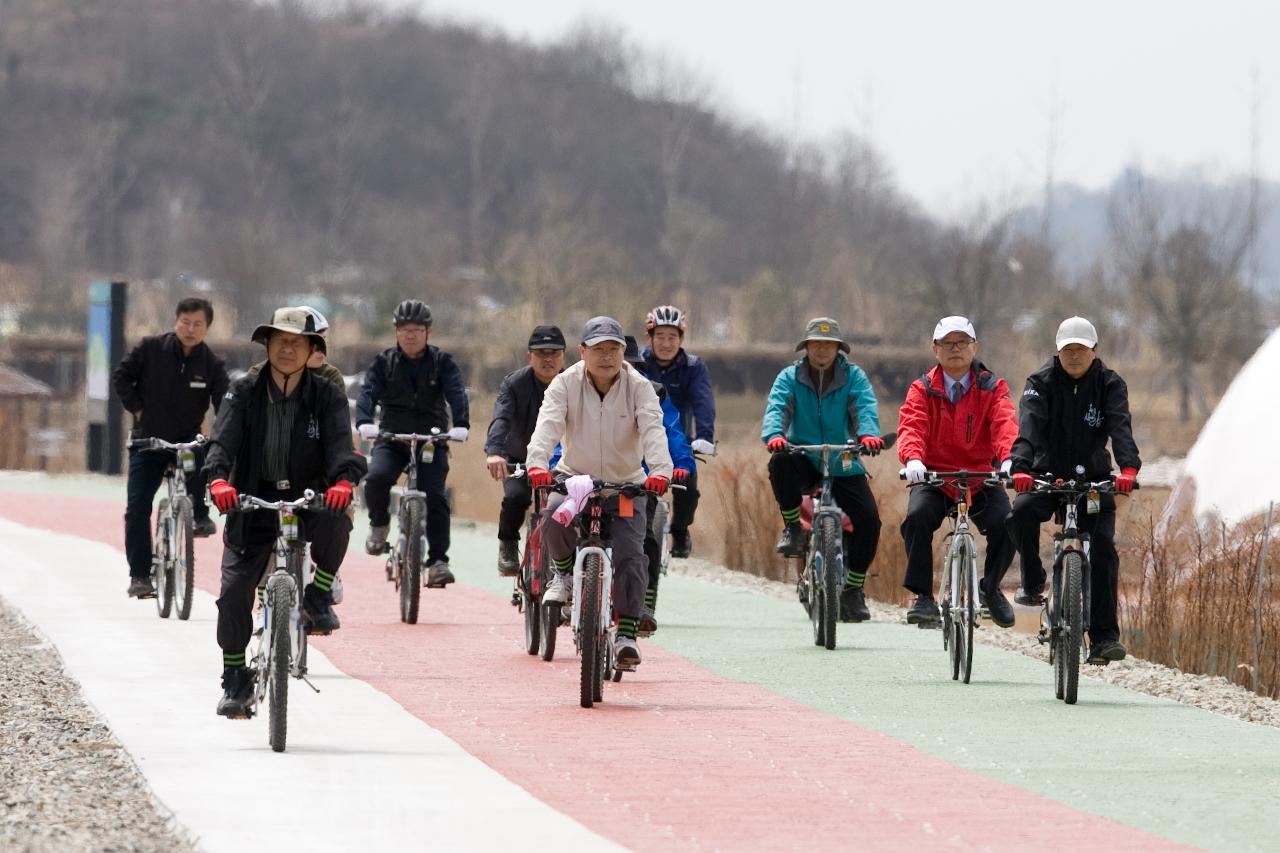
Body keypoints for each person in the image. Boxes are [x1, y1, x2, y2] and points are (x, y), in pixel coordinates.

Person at [204, 307, 367, 718]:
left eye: (297, 342)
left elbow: (340, 447)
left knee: (339, 513)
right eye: (279, 341)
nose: (287, 349)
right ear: (267, 345)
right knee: (233, 594)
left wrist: (343, 481)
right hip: (251, 501)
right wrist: (219, 480)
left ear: (313, 348)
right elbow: (221, 441)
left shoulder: (326, 395)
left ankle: (318, 593)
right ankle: (236, 679)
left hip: (308, 496)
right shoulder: (243, 391)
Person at [525, 317, 672, 669]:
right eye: (599, 349)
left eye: (614, 349)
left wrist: (661, 471)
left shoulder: (640, 387)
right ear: (583, 351)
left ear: (623, 352)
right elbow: (547, 426)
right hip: (576, 480)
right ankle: (563, 574)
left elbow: (653, 429)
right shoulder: (564, 384)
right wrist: (537, 464)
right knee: (553, 519)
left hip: (626, 483)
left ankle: (627, 635)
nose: (607, 357)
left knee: (630, 554)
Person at [1006, 316, 1140, 665]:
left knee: (1104, 552)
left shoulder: (1110, 384)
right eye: (1068, 349)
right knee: (1019, 513)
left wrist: (1128, 468)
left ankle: (1103, 638)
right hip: (1046, 476)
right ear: (1058, 351)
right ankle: (1033, 581)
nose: (1075, 355)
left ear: (1094, 350)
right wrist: (1020, 466)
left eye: (1081, 349)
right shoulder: (1040, 382)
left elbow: (1120, 426)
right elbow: (1029, 425)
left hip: (1093, 483)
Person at [897, 316, 1020, 627]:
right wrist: (913, 459)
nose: (956, 349)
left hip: (980, 477)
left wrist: (1009, 459)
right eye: (948, 343)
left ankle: (990, 588)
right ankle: (923, 596)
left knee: (1010, 524)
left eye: (962, 342)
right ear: (935, 349)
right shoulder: (922, 388)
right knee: (917, 518)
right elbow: (912, 425)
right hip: (934, 476)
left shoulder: (992, 387)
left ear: (974, 347)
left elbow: (1005, 423)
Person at [762, 317, 883, 623]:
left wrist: (867, 435)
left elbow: (865, 407)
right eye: (816, 343)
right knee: (779, 464)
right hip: (802, 453)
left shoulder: (853, 377)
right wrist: (775, 436)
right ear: (807, 347)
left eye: (828, 344)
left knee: (869, 519)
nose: (822, 349)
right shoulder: (790, 377)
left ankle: (854, 590)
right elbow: (777, 408)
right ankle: (793, 527)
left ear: (838, 348)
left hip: (843, 458)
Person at [112, 296, 230, 599]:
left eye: (198, 324)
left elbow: (225, 404)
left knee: (200, 459)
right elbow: (122, 377)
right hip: (147, 442)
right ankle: (139, 575)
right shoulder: (149, 349)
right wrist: (137, 409)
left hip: (186, 442)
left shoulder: (212, 365)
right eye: (185, 322)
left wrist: (221, 433)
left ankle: (199, 515)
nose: (190, 329)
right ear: (176, 321)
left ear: (207, 328)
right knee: (137, 508)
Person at [356, 299, 470, 588]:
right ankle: (379, 524)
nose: (410, 335)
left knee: (435, 495)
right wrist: (365, 422)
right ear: (396, 332)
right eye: (404, 329)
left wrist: (461, 425)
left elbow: (456, 393)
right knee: (377, 478)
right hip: (392, 437)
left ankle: (437, 561)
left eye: (417, 329)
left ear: (428, 332)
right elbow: (367, 392)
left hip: (430, 440)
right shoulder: (384, 362)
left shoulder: (443, 362)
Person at [624, 335, 695, 634]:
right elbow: (569, 436)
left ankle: (645, 603)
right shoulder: (583, 390)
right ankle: (573, 584)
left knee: (646, 540)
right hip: (592, 481)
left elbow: (671, 432)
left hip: (639, 483)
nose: (626, 371)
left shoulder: (653, 394)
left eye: (632, 366)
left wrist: (681, 466)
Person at [484, 324, 566, 576]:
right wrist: (495, 451)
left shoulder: (575, 382)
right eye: (541, 353)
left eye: (554, 353)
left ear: (564, 356)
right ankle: (508, 544)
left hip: (563, 460)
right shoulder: (514, 384)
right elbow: (501, 418)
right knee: (516, 497)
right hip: (518, 457)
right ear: (529, 356)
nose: (548, 359)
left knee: (572, 508)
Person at [641, 304, 716, 557]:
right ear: (649, 337)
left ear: (681, 339)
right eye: (659, 336)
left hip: (679, 439)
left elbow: (703, 403)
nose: (665, 343)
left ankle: (680, 530)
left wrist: (704, 437)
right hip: (642, 438)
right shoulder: (637, 363)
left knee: (688, 487)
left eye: (672, 337)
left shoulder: (693, 367)